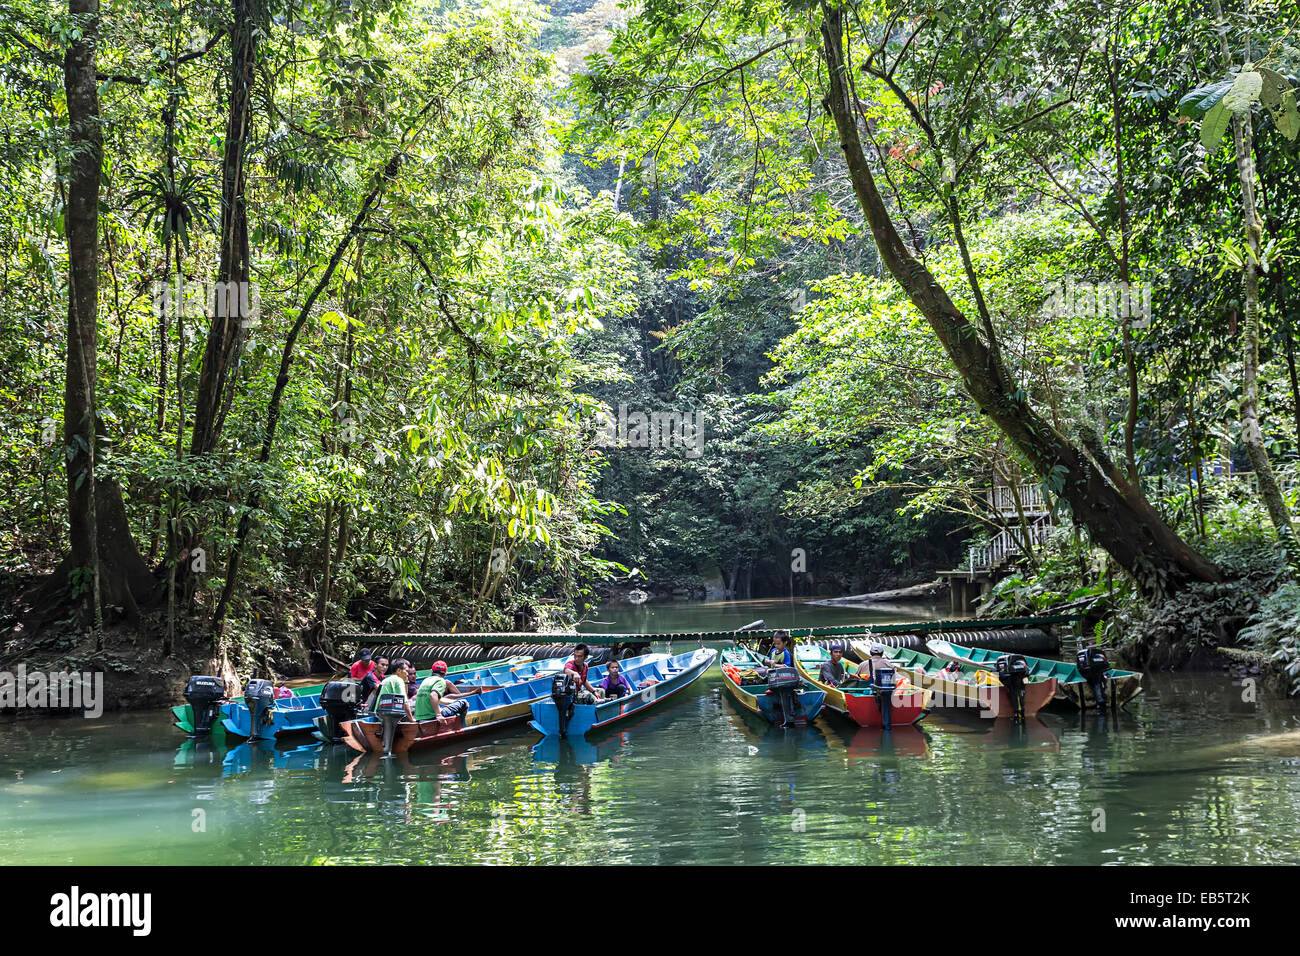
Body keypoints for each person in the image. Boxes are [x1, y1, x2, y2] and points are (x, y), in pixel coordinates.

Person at [368, 658, 414, 755]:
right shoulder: (398, 681)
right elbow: (405, 703)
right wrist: (412, 720)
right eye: (406, 670)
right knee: (415, 703)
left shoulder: (387, 679)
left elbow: (403, 697)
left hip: (379, 714)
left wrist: (405, 682)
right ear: (398, 670)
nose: (407, 673)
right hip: (390, 715)